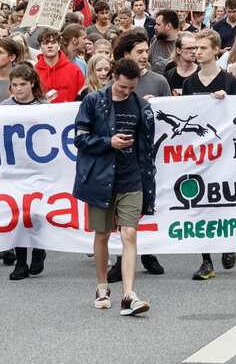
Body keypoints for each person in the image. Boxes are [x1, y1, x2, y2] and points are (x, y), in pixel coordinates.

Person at [73, 59, 154, 317]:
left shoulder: (141, 106)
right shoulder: (94, 101)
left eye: (131, 88)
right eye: (122, 87)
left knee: (129, 233)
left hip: (131, 177)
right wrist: (109, 142)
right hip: (100, 178)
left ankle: (129, 294)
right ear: (112, 77)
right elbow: (80, 138)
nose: (126, 92)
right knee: (102, 234)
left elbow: (147, 146)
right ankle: (102, 286)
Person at [183, 29, 236, 280]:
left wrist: (226, 100)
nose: (197, 52)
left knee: (224, 202)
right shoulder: (189, 83)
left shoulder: (229, 82)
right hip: (200, 155)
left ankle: (228, 245)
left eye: (203, 48)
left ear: (216, 50)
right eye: (195, 48)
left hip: (225, 153)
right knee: (201, 204)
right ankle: (206, 260)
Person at [1, 63, 49, 281]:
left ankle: (39, 250)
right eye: (14, 85)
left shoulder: (44, 106)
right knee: (18, 212)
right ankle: (21, 260)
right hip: (15, 167)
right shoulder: (4, 106)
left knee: (37, 211)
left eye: (22, 84)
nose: (18, 89)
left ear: (32, 84)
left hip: (38, 167)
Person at [33, 28, 84, 104]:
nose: (49, 46)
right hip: (42, 114)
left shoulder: (74, 70)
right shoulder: (33, 72)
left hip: (69, 114)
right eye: (45, 43)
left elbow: (83, 96)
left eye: (53, 42)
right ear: (40, 46)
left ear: (59, 45)